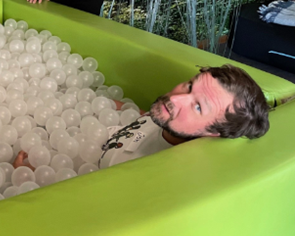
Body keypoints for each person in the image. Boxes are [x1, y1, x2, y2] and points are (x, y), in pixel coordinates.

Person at [15, 65, 270, 170]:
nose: (176, 98)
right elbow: (148, 122)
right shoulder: (171, 125)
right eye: (190, 86)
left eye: (199, 107)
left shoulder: (146, 169)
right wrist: (118, 108)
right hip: (94, 140)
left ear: (214, 132)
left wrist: (32, 176)